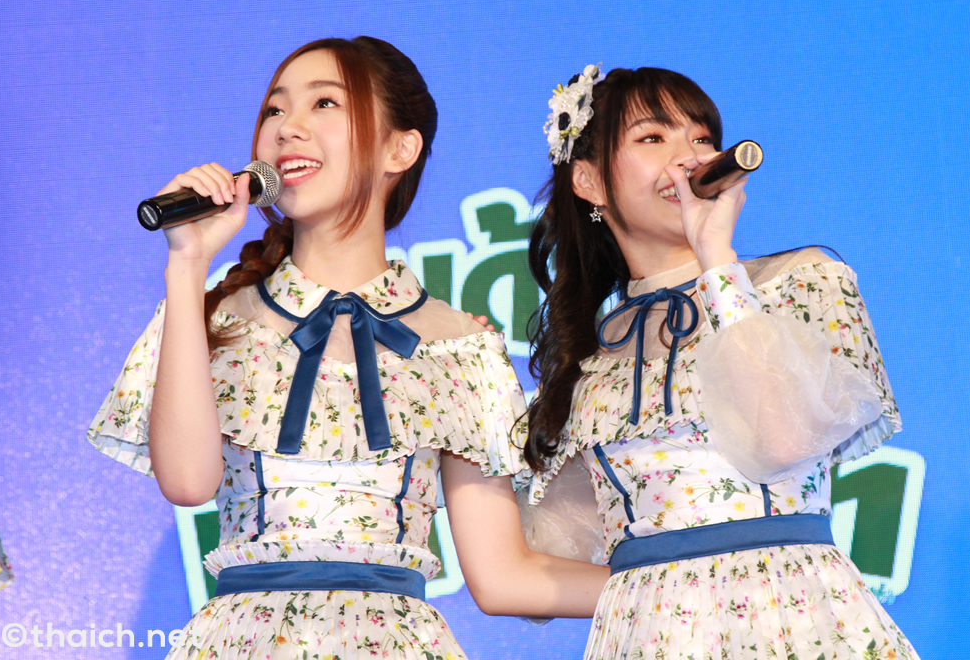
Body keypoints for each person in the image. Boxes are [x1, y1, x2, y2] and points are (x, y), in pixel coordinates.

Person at [88, 37, 607, 659]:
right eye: (274, 110)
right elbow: (187, 482)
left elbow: (501, 578)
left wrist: (684, 577)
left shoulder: (461, 349)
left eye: (324, 103)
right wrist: (187, 262)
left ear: (400, 149)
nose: (287, 128)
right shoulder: (208, 319)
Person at [522, 64, 920, 659]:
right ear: (590, 182)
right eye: (653, 137)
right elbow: (540, 561)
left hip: (792, 621)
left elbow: (783, 440)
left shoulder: (802, 282)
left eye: (702, 138)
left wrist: (716, 259)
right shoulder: (595, 364)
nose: (688, 156)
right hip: (653, 639)